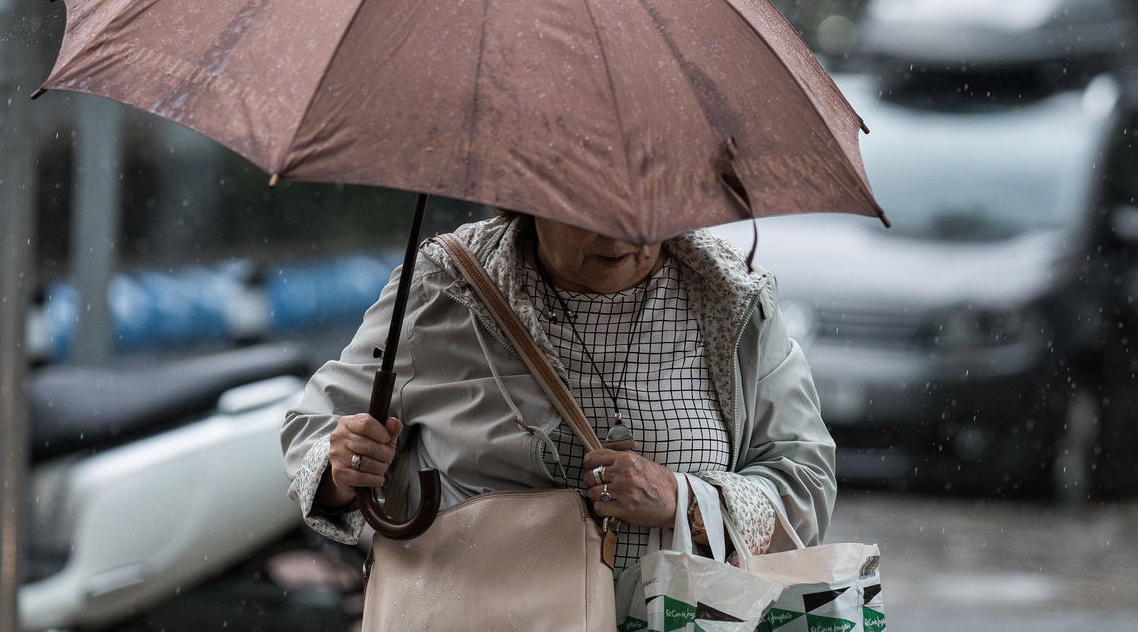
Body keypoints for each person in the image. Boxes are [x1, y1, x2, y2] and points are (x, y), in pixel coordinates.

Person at [280, 210, 834, 621]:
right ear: (529, 196)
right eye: (586, 210)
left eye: (639, 208)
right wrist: (343, 465)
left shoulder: (731, 301)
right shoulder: (446, 287)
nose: (617, 235)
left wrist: (682, 500)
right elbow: (315, 426)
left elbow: (805, 482)